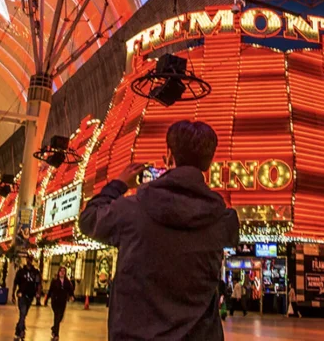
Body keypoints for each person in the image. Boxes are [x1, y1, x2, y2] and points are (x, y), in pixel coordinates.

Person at [79, 120, 240, 340]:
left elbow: (88, 220)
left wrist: (118, 184)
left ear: (169, 157)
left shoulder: (131, 210)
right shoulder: (222, 221)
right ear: (209, 164)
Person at [12, 257, 42, 340]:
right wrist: (13, 294)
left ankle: (18, 330)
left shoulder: (35, 272)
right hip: (21, 295)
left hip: (30, 295)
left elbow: (38, 283)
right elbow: (15, 282)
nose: (29, 261)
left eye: (30, 259)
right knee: (23, 312)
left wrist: (38, 293)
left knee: (23, 314)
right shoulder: (21, 272)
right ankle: (21, 331)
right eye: (28, 259)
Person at [47, 266, 75, 340]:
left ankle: (54, 328)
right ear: (58, 272)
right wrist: (47, 298)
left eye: (63, 271)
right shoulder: (55, 281)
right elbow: (50, 290)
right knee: (57, 316)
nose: (62, 272)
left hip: (63, 302)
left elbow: (70, 289)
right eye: (61, 271)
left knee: (60, 317)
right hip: (55, 301)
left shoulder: (67, 282)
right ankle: (56, 334)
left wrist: (71, 296)